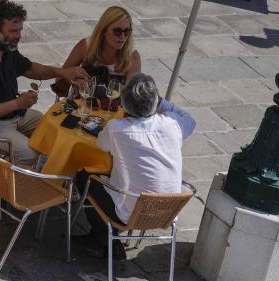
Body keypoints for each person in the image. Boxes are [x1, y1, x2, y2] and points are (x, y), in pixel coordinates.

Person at [0, 0, 89, 164]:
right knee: (30, 154)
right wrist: (17, 103)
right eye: (13, 31)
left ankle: (54, 178)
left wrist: (61, 72)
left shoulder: (5, 48)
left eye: (20, 30)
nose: (18, 36)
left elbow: (30, 69)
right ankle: (10, 186)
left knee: (56, 130)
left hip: (11, 115)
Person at [83, 73, 196, 260]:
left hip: (129, 214)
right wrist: (161, 102)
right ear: (155, 103)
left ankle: (105, 239)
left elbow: (102, 146)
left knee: (86, 175)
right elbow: (190, 120)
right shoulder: (172, 123)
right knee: (122, 174)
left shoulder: (116, 128)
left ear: (124, 103)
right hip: (167, 212)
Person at [57, 5, 141, 95]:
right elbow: (60, 77)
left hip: (113, 107)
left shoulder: (132, 57)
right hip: (83, 104)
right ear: (104, 31)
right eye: (117, 31)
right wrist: (77, 79)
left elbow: (130, 97)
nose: (123, 36)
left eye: (127, 31)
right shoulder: (86, 46)